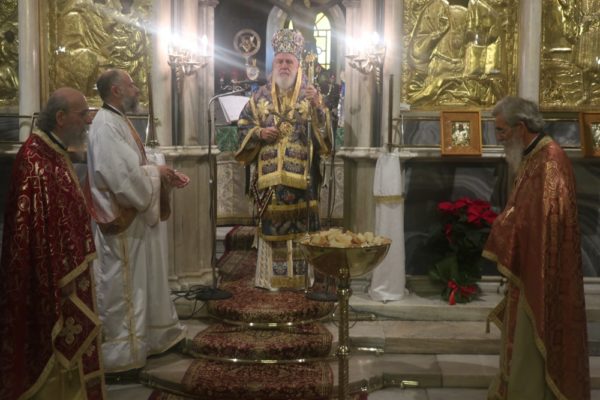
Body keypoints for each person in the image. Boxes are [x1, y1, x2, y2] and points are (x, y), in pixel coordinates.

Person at [0, 88, 106, 399]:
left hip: (68, 271)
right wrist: (61, 276)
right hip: (54, 280)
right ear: (60, 117)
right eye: (82, 114)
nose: (87, 120)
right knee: (56, 345)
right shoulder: (35, 160)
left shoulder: (53, 153)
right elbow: (35, 234)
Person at [484, 96, 590, 400]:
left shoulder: (550, 161)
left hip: (543, 268)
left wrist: (503, 227)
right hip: (529, 265)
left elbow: (546, 220)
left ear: (521, 127)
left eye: (502, 131)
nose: (499, 138)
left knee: (533, 336)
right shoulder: (533, 156)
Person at [86, 69, 188, 373]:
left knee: (142, 284)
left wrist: (160, 171)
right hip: (120, 219)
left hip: (131, 218)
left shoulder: (118, 119)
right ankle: (121, 356)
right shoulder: (106, 125)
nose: (137, 90)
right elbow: (121, 177)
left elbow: (133, 164)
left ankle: (153, 339)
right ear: (116, 90)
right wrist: (157, 173)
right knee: (125, 289)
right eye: (131, 85)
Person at [235, 29, 331, 290]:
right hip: (269, 177)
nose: (285, 66)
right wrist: (259, 133)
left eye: (289, 61)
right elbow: (243, 126)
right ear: (274, 64)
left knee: (301, 231)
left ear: (298, 64)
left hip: (302, 176)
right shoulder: (260, 96)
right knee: (272, 229)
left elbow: (325, 137)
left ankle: (301, 280)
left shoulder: (310, 95)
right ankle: (270, 279)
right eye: (280, 61)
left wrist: (318, 107)